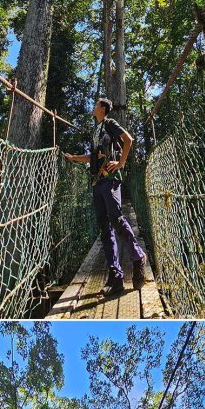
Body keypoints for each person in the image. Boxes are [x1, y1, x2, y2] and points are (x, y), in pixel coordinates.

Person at [63, 97, 146, 294]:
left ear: (103, 108)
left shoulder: (110, 123)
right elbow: (92, 157)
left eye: (96, 105)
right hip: (97, 182)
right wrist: (73, 158)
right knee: (104, 227)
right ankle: (115, 276)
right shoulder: (95, 131)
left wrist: (121, 163)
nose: (93, 107)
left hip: (110, 179)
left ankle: (137, 257)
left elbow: (128, 140)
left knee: (116, 219)